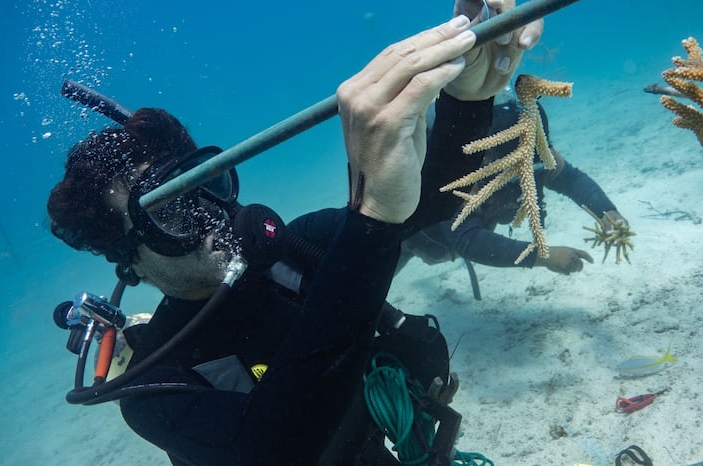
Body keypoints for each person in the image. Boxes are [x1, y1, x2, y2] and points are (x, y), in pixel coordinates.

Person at [47, 2, 543, 465]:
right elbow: (280, 445)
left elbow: (428, 204)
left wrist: (467, 101)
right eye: (167, 211)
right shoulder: (155, 385)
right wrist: (371, 218)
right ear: (129, 257)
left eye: (204, 183)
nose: (208, 215)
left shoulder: (292, 252)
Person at [398, 97, 629, 284]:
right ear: (490, 155)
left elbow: (570, 178)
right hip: (405, 238)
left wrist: (607, 211)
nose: (526, 172)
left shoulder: (534, 150)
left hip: (454, 237)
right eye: (516, 167)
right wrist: (541, 256)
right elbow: (467, 239)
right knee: (369, 288)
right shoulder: (459, 171)